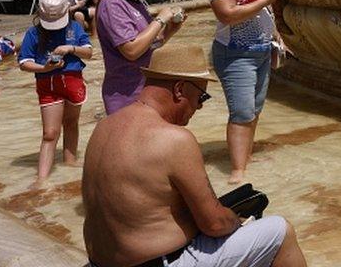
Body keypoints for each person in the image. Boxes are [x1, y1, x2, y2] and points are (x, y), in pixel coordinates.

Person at [81, 43, 307, 267]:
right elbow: (215, 224)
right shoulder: (174, 139)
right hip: (154, 263)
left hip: (100, 263)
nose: (199, 107)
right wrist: (236, 220)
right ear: (179, 89)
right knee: (279, 232)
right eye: (202, 97)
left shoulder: (105, 127)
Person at [207, 0, 282, 185]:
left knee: (254, 109)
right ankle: (237, 171)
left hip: (259, 51)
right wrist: (265, 1)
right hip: (236, 53)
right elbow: (226, 14)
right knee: (242, 112)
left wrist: (276, 36)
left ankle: (245, 158)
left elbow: (261, 14)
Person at [17, 0, 93, 187]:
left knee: (71, 123)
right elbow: (24, 63)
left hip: (72, 81)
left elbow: (89, 52)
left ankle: (70, 162)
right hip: (47, 84)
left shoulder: (75, 27)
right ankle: (41, 178)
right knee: (50, 133)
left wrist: (71, 48)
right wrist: (46, 68)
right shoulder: (33, 33)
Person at [96, 0, 184, 115]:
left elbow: (148, 44)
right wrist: (160, 20)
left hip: (142, 87)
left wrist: (170, 30)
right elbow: (131, 50)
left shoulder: (135, 2)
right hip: (126, 92)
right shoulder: (113, 3)